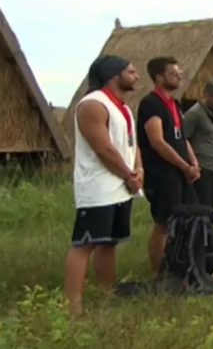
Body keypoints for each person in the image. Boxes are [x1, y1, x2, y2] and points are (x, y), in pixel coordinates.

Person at [63, 55, 143, 314]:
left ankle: (108, 293)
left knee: (109, 242)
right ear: (114, 74)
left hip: (121, 186)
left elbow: (132, 144)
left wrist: (139, 170)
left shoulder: (124, 107)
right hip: (99, 188)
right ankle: (73, 306)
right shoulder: (93, 104)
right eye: (131, 71)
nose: (136, 76)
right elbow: (103, 148)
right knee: (84, 244)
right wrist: (129, 175)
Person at [137, 56, 201, 273]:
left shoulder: (175, 103)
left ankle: (180, 263)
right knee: (164, 222)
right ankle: (157, 270)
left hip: (182, 172)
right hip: (162, 173)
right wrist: (184, 166)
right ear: (159, 77)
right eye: (173, 74)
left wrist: (193, 162)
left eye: (179, 73)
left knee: (186, 219)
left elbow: (181, 137)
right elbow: (157, 141)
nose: (179, 76)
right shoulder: (151, 104)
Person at [184, 78, 213, 210]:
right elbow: (183, 139)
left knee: (210, 210)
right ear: (206, 95)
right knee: (201, 210)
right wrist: (192, 164)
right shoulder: (195, 114)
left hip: (211, 169)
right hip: (200, 169)